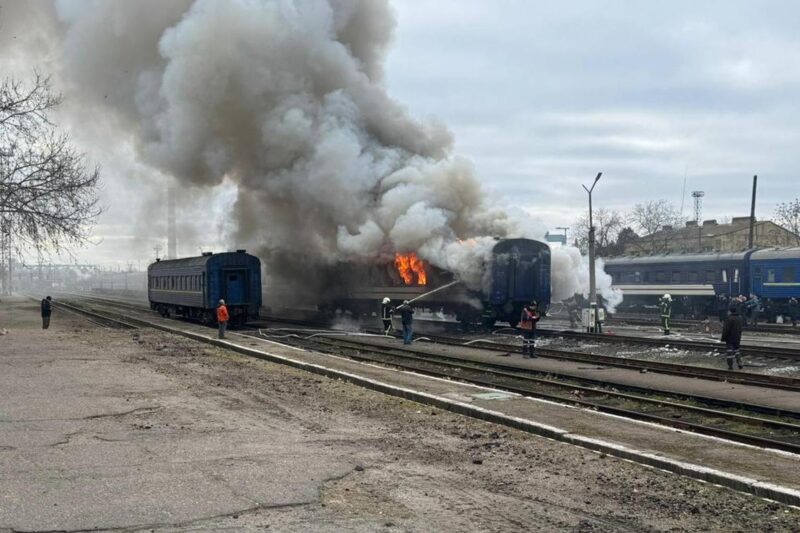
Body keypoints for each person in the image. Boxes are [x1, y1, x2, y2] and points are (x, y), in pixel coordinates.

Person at [721, 305, 744, 370]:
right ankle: (740, 363)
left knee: (729, 352)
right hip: (737, 337)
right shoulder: (740, 317)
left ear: (730, 311)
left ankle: (730, 366)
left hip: (730, 338)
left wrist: (723, 338)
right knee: (737, 351)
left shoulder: (729, 318)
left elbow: (726, 329)